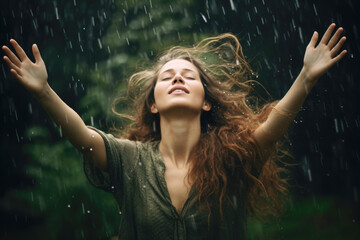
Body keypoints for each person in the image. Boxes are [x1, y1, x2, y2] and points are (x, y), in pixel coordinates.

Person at [2, 23, 346, 239]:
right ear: (152, 104)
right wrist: (44, 91)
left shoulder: (232, 156)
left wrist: (306, 77)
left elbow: (271, 129)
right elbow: (81, 135)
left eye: (188, 76)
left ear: (206, 102)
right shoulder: (129, 159)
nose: (177, 78)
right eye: (166, 77)